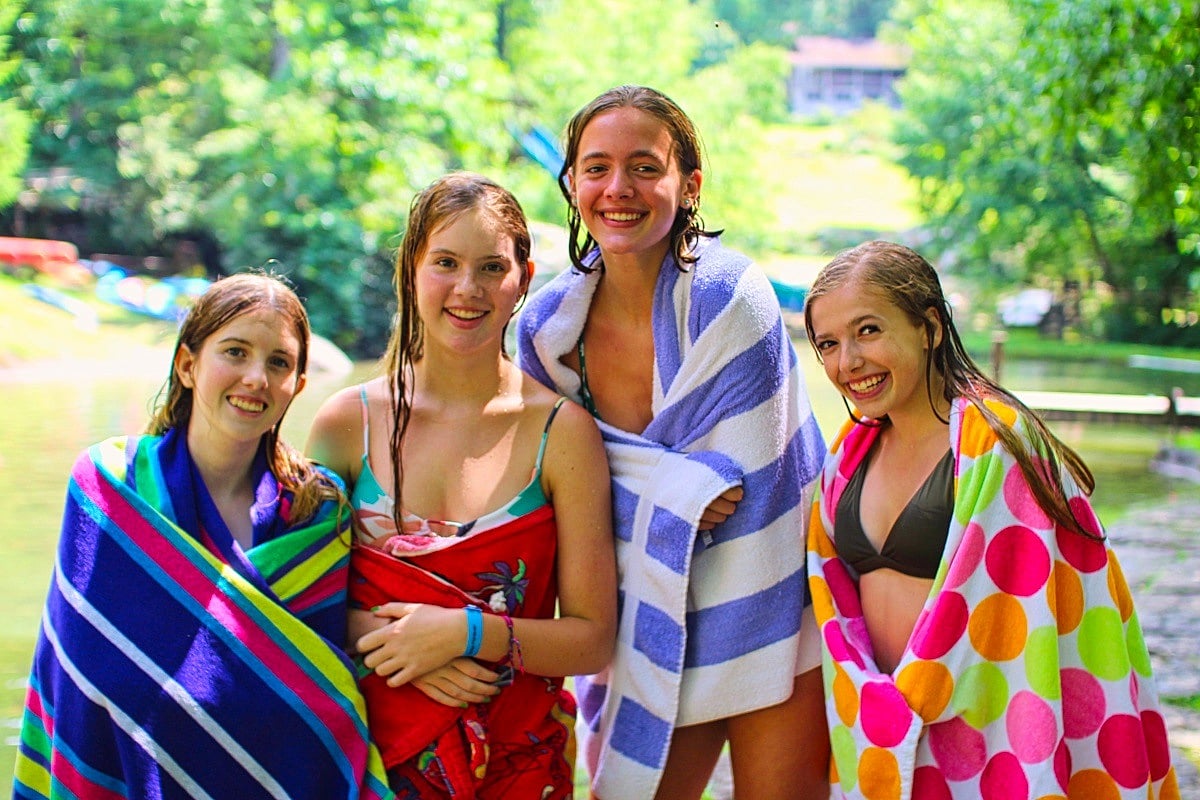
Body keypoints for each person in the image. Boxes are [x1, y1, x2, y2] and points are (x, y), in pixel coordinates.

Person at [517, 85, 830, 800]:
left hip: (768, 595)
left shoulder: (731, 296)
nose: (618, 189)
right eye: (595, 168)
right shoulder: (543, 329)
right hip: (642, 615)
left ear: (688, 185)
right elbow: (550, 485)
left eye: (644, 167)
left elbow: (738, 489)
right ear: (571, 184)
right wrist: (669, 485)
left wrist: (612, 479)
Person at [802, 240, 1180, 799]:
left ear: (929, 328)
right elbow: (833, 592)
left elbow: (1035, 613)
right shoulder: (849, 453)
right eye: (828, 344)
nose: (846, 362)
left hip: (987, 725)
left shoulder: (996, 444)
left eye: (868, 331)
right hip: (884, 729)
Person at [12, 273, 393, 800]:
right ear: (188, 365)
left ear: (297, 386)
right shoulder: (107, 488)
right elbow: (80, 672)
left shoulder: (317, 513)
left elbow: (317, 695)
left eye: (278, 363)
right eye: (235, 352)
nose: (256, 377)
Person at [306, 172, 617, 799]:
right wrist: (390, 637)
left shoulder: (562, 433)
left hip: (517, 769)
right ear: (412, 269)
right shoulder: (346, 425)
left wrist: (465, 633)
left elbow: (591, 639)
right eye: (445, 262)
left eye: (491, 268)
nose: (467, 289)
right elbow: (295, 606)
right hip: (364, 766)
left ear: (523, 281)